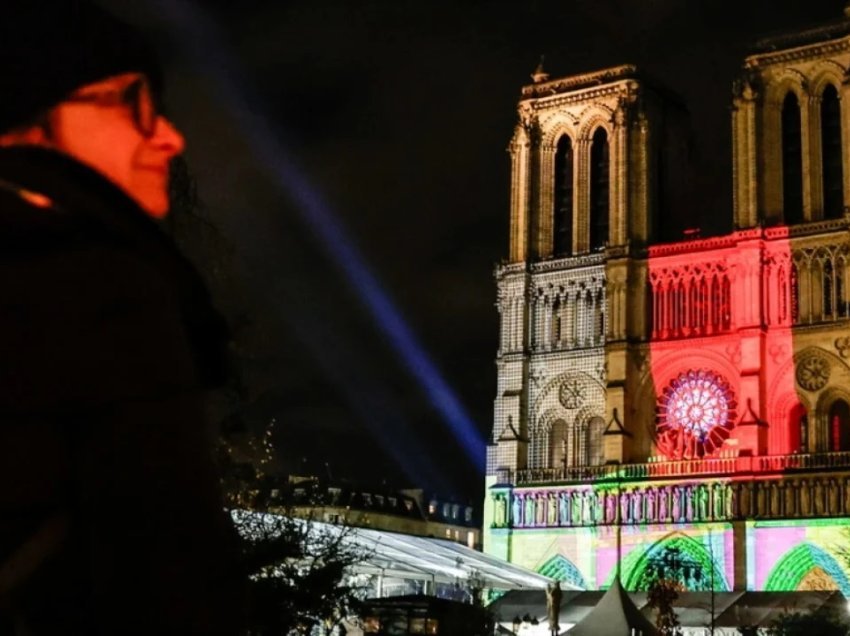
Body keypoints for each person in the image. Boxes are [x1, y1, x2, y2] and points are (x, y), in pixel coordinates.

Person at [0, 2, 240, 633]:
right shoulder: (91, 286)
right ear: (30, 123)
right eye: (128, 104)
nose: (168, 137)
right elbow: (162, 565)